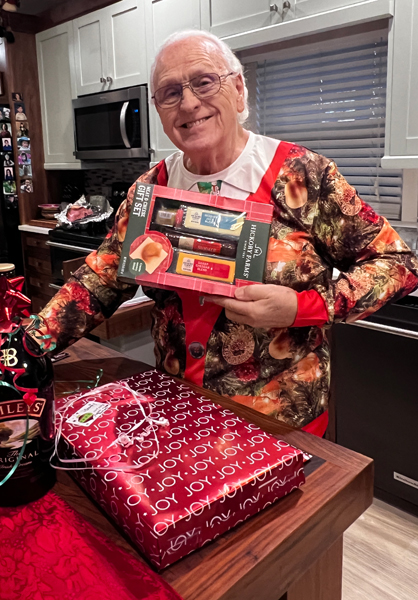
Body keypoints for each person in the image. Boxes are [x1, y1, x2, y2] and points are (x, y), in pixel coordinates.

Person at [37, 30, 418, 435]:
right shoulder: (151, 190)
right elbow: (98, 281)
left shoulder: (305, 176)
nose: (188, 103)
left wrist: (304, 305)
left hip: (280, 424)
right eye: (169, 92)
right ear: (158, 110)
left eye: (204, 81)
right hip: (178, 411)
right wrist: (24, 347)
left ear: (238, 90)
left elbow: (400, 265)